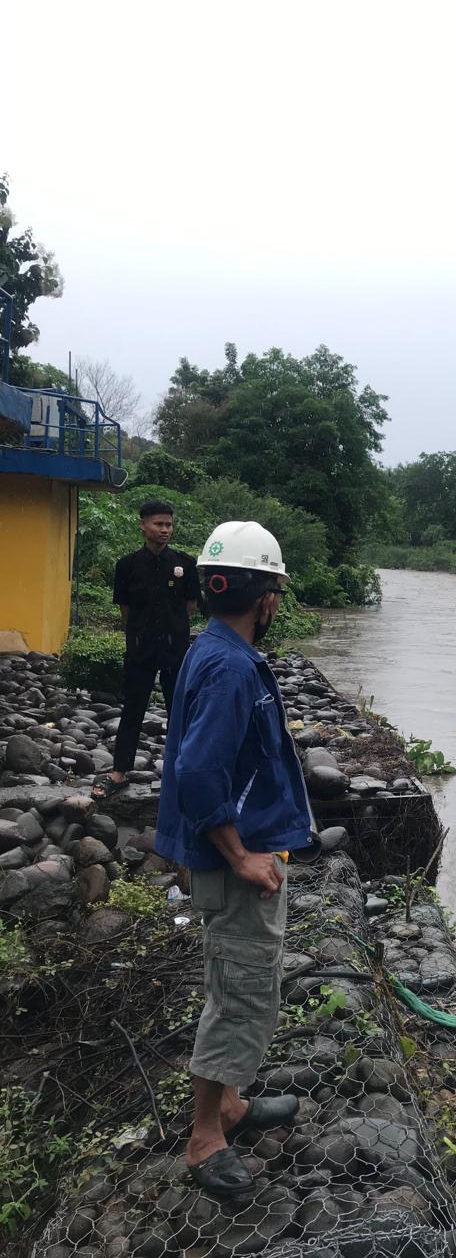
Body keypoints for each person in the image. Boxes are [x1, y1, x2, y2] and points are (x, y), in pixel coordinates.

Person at [155, 521, 314, 1196]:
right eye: (275, 590)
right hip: (231, 861)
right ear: (266, 598)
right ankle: (203, 1138)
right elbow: (197, 773)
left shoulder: (215, 649)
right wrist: (240, 854)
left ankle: (229, 1105)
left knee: (235, 981)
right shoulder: (228, 665)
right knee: (242, 992)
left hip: (226, 851)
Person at [93, 498, 201, 799]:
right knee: (133, 709)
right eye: (158, 524)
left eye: (168, 524)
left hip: (175, 650)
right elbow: (125, 609)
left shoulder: (185, 564)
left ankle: (183, 770)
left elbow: (190, 606)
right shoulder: (127, 566)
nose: (165, 530)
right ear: (143, 526)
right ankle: (119, 771)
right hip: (140, 648)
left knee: (179, 710)